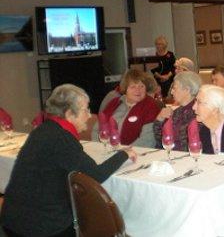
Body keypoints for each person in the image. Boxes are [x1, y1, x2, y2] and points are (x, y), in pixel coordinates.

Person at [0, 84, 137, 237]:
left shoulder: (44, 130)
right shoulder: (60, 138)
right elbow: (96, 175)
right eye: (86, 110)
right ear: (70, 114)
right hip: (40, 227)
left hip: (13, 218)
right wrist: (124, 154)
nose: (90, 115)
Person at [92, 69, 161, 147]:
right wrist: (100, 147)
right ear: (125, 89)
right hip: (107, 150)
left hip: (135, 153)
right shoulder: (114, 103)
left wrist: (124, 152)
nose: (138, 90)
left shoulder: (150, 106)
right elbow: (97, 129)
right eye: (133, 87)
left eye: (141, 86)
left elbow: (148, 139)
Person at [153, 71, 202, 151]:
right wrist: (159, 119)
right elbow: (160, 139)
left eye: (174, 88)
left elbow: (191, 145)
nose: (171, 92)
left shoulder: (197, 114)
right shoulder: (178, 111)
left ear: (187, 90)